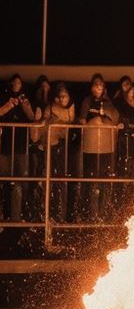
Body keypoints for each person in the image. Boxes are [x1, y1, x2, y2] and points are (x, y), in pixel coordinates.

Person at [78, 74, 119, 222]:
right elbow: (82, 119)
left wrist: (106, 114)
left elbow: (115, 117)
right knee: (92, 181)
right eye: (95, 85)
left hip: (106, 147)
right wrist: (94, 121)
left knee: (105, 180)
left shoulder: (108, 102)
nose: (98, 88)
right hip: (90, 147)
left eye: (100, 85)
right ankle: (91, 214)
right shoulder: (87, 101)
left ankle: (104, 214)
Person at [0, 74, 36, 221]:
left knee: (21, 180)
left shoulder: (25, 99)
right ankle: (6, 213)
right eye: (14, 82)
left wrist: (24, 104)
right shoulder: (4, 97)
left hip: (21, 146)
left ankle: (19, 213)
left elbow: (32, 117)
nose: (17, 84)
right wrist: (9, 104)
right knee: (5, 180)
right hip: (5, 146)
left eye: (19, 82)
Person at [41, 84, 76, 222]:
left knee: (63, 179)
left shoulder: (70, 109)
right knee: (49, 178)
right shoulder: (50, 108)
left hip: (65, 146)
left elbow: (72, 124)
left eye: (65, 95)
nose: (63, 98)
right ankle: (48, 213)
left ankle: (62, 214)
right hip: (50, 145)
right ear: (56, 97)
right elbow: (44, 122)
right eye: (60, 96)